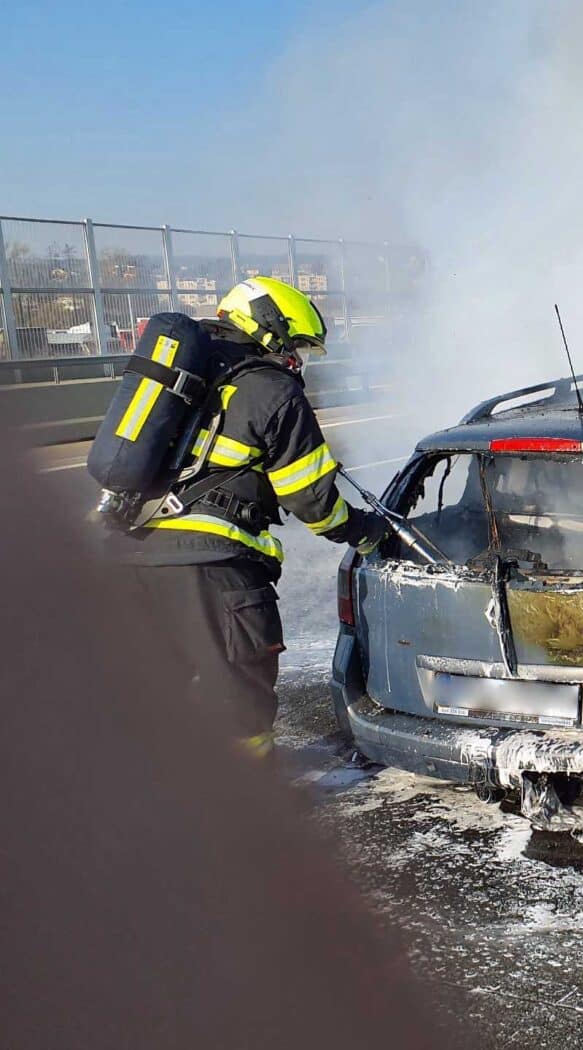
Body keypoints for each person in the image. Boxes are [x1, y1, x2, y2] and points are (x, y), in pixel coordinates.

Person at [108, 276, 387, 753]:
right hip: (215, 571)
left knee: (149, 692)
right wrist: (364, 531)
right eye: (295, 345)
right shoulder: (272, 389)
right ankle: (249, 809)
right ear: (271, 329)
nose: (297, 359)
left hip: (130, 558)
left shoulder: (185, 379)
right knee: (239, 697)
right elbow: (312, 502)